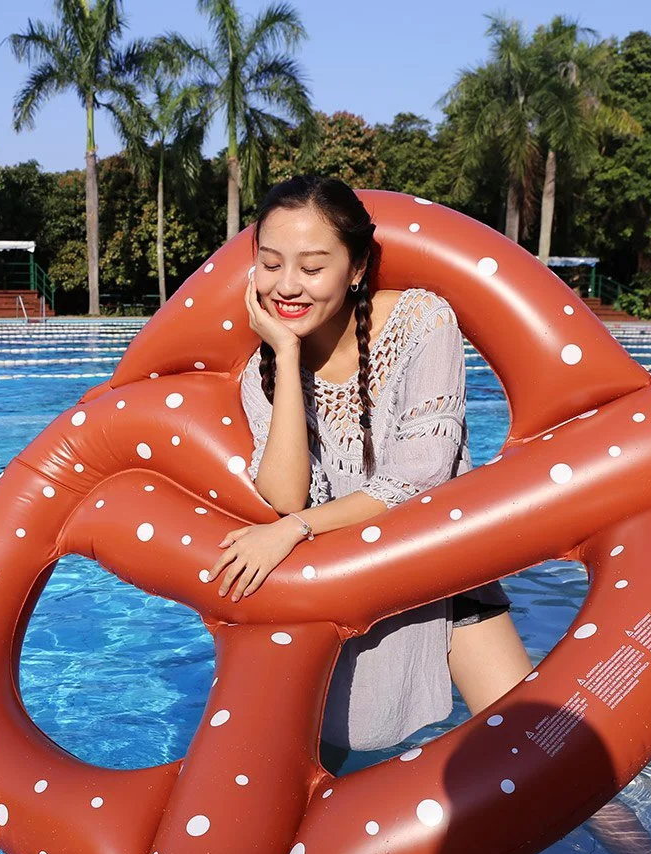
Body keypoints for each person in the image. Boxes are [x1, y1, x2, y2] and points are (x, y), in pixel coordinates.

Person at [206, 175, 534, 767]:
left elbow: (421, 475)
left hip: (443, 573)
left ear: (356, 269)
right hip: (339, 588)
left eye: (311, 267)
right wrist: (283, 352)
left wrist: (297, 529)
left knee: (537, 756)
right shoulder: (263, 369)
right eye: (271, 264)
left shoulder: (423, 322)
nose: (286, 286)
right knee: (308, 778)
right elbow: (285, 491)